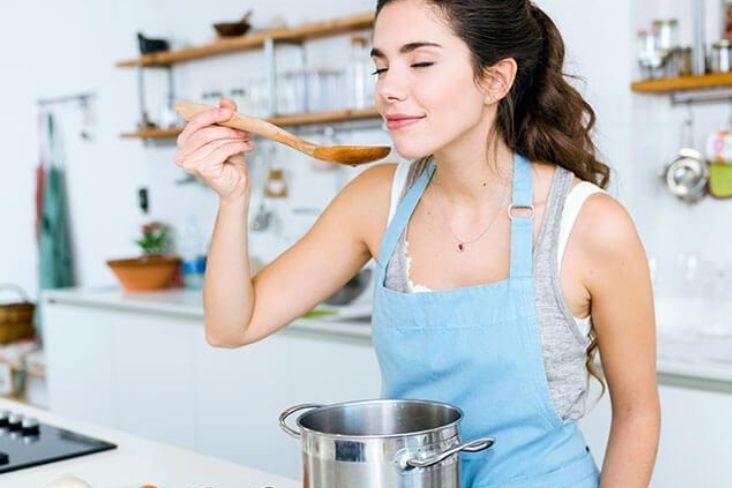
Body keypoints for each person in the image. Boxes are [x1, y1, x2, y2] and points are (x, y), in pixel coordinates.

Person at [174, 0, 660, 486]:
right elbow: (232, 325)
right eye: (381, 66)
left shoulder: (590, 224)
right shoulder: (375, 200)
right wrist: (233, 199)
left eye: (420, 62)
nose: (388, 87)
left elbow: (638, 413)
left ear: (495, 79)